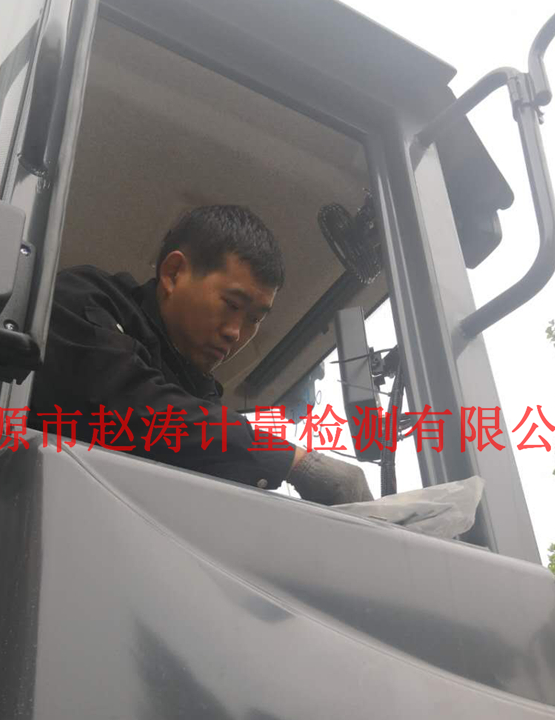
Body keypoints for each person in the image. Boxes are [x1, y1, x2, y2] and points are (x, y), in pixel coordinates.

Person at [30, 204, 372, 505]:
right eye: (232, 304)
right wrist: (292, 461)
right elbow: (126, 402)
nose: (236, 332)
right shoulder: (85, 297)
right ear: (173, 273)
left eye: (254, 319)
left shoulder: (201, 401)